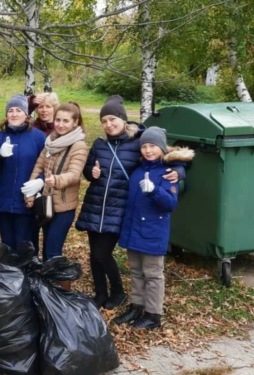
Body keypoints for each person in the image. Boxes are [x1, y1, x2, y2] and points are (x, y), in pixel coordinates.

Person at [76, 95, 183, 310]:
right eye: (104, 121)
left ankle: (118, 291)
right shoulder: (100, 145)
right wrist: (91, 172)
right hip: (96, 206)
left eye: (112, 119)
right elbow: (88, 170)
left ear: (124, 119)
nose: (108, 124)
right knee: (94, 254)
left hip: (120, 208)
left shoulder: (139, 142)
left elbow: (169, 157)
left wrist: (180, 172)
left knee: (102, 253)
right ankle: (100, 293)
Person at [114, 127, 193, 329]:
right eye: (145, 146)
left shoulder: (168, 173)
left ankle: (153, 314)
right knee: (136, 271)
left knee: (153, 274)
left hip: (152, 232)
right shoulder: (138, 170)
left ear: (161, 148)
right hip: (134, 230)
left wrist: (155, 190)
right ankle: (136, 306)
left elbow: (170, 204)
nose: (148, 150)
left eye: (153, 146)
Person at [24, 102, 88, 259]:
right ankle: (47, 282)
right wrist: (29, 194)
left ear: (75, 123)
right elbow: (38, 167)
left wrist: (56, 180)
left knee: (52, 252)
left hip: (63, 208)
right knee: (46, 251)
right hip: (47, 204)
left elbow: (74, 174)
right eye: (58, 120)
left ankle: (57, 283)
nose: (60, 124)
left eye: (66, 121)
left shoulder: (78, 146)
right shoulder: (50, 142)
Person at [0, 94, 46, 253]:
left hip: (27, 200)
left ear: (26, 114)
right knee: (8, 246)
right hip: (5, 199)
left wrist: (40, 181)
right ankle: (10, 276)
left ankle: (28, 276)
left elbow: (46, 165)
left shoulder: (37, 137)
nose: (14, 114)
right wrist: (0, 154)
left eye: (18, 110)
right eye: (10, 111)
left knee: (26, 246)